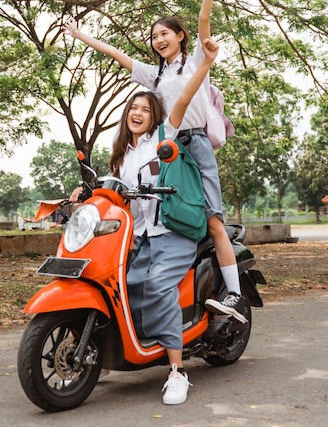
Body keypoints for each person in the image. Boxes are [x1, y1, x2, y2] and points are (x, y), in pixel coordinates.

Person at [63, 0, 246, 324]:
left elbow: (204, 22)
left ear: (180, 36)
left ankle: (233, 294)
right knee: (158, 215)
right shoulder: (156, 74)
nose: (159, 40)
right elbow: (118, 55)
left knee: (212, 220)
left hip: (193, 144)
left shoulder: (196, 61)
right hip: (163, 149)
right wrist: (81, 37)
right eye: (154, 36)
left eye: (165, 34)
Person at [70, 38, 219, 405]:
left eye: (144, 109)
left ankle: (176, 371)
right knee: (121, 284)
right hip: (136, 236)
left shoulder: (164, 137)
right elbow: (112, 190)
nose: (137, 113)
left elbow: (184, 97)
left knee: (155, 286)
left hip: (172, 232)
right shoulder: (122, 155)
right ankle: (110, 349)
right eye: (132, 108)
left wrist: (205, 64)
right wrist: (84, 192)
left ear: (154, 115)